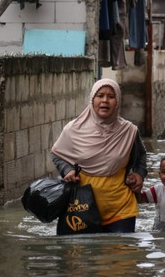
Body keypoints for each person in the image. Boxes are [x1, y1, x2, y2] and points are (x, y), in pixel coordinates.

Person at [51, 78, 148, 233]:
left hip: (120, 208)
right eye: (100, 95)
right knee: (84, 255)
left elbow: (141, 156)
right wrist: (67, 170)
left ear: (117, 101)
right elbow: (58, 155)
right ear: (92, 99)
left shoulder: (129, 131)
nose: (105, 101)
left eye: (111, 96)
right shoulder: (73, 130)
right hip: (82, 207)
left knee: (123, 255)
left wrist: (139, 174)